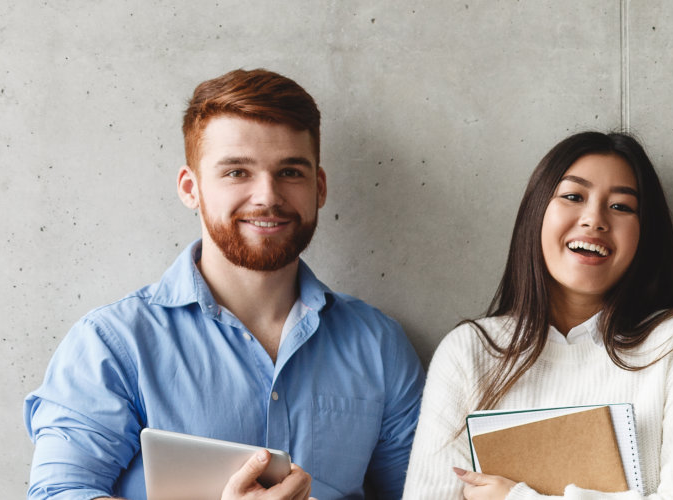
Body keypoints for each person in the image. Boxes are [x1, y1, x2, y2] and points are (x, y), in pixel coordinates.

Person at [24, 68, 425, 500]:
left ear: (319, 187)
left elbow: (422, 493)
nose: (267, 196)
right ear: (190, 188)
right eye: (237, 172)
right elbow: (58, 493)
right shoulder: (113, 343)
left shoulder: (378, 343)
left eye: (290, 171)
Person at [403, 132, 673, 499]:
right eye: (573, 197)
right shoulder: (470, 351)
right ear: (536, 213)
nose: (594, 220)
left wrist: (516, 497)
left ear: (645, 233)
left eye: (622, 206)